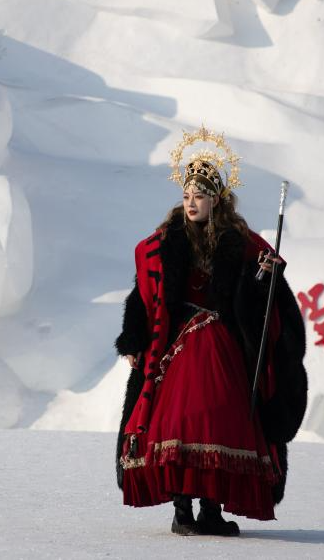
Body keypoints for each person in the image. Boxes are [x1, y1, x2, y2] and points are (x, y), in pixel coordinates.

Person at [114, 127, 308, 536]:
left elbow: (255, 294)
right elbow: (143, 292)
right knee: (180, 421)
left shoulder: (241, 242)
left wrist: (266, 275)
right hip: (177, 343)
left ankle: (210, 511)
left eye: (199, 196)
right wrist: (133, 338)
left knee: (223, 421)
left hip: (222, 342)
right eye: (186, 196)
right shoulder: (164, 242)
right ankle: (182, 510)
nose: (190, 203)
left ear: (216, 200)